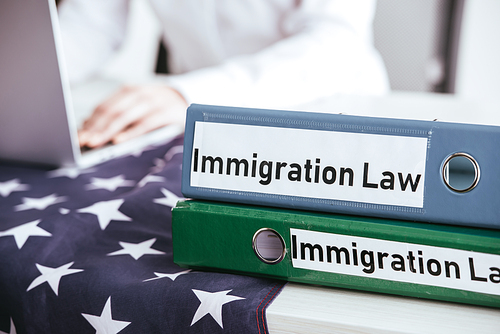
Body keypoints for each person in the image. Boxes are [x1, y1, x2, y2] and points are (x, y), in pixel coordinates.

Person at [58, 0, 390, 148]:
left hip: (327, 118)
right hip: (196, 127)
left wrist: (189, 94)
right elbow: (92, 26)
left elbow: (335, 45)